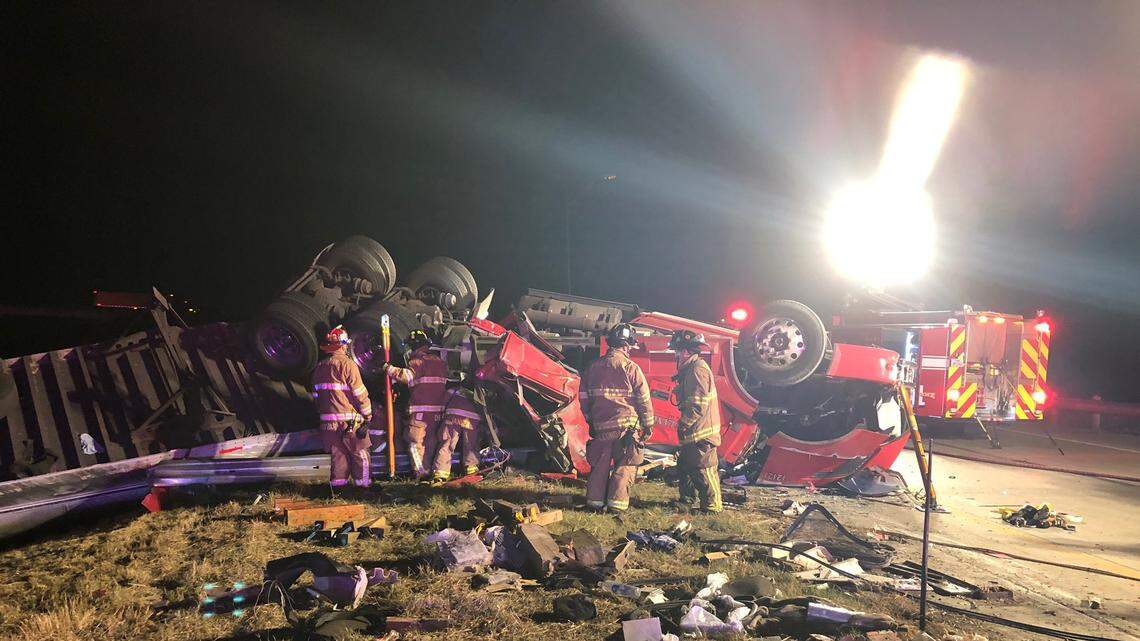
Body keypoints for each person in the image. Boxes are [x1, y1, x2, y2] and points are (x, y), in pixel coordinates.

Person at [582, 323, 654, 512]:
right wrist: (648, 425)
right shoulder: (631, 368)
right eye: (630, 346)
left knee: (599, 466)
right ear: (626, 345)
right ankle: (617, 505)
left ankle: (594, 503)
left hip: (601, 428)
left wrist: (591, 420)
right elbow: (644, 400)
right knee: (625, 465)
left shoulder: (593, 367)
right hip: (626, 429)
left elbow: (583, 398)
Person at [311, 326, 372, 489]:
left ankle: (338, 490)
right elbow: (360, 393)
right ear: (343, 345)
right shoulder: (348, 365)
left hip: (328, 424)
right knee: (360, 455)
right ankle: (364, 488)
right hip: (349, 422)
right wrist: (367, 415)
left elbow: (316, 396)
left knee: (338, 457)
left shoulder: (319, 367)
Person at [669, 328, 722, 513]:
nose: (675, 355)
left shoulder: (697, 369)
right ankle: (686, 500)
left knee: (703, 468)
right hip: (694, 431)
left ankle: (712, 506)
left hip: (702, 432)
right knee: (685, 466)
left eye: (677, 351)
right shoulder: (691, 369)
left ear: (685, 351)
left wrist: (683, 424)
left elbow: (697, 405)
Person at [384, 329, 448, 478]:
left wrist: (388, 368)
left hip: (420, 413)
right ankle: (434, 472)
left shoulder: (418, 361)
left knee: (414, 442)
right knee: (430, 443)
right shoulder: (439, 362)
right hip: (438, 413)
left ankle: (422, 474)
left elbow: (406, 376)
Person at [429, 380, 484, 483]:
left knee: (447, 444)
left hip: (452, 418)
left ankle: (440, 473)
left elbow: (442, 403)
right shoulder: (479, 392)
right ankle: (471, 469)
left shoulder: (453, 390)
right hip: (471, 421)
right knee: (470, 445)